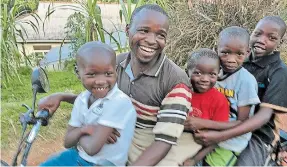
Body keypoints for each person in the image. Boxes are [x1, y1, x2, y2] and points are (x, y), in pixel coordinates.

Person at [38, 4, 194, 166]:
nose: (151, 40)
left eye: (160, 35)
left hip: (141, 156)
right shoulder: (117, 64)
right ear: (128, 30)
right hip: (106, 148)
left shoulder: (175, 81)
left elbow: (164, 141)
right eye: (144, 31)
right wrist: (61, 97)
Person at [194, 16, 287, 166]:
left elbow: (264, 116)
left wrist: (220, 136)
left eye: (271, 37)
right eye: (258, 34)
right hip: (223, 120)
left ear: (280, 42)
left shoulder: (279, 71)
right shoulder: (236, 60)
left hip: (258, 132)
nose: (262, 40)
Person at [40, 41, 136, 166]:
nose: (101, 81)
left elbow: (92, 148)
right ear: (77, 72)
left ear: (116, 71)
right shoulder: (82, 99)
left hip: (103, 164)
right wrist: (86, 129)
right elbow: (67, 142)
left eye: (108, 73)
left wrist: (79, 133)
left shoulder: (118, 102)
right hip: (78, 157)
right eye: (92, 74)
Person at [181, 48, 230, 166]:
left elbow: (217, 139)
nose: (204, 79)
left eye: (212, 74)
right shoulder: (181, 91)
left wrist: (194, 160)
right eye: (198, 73)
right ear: (188, 71)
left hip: (199, 149)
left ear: (218, 74)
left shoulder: (219, 100)